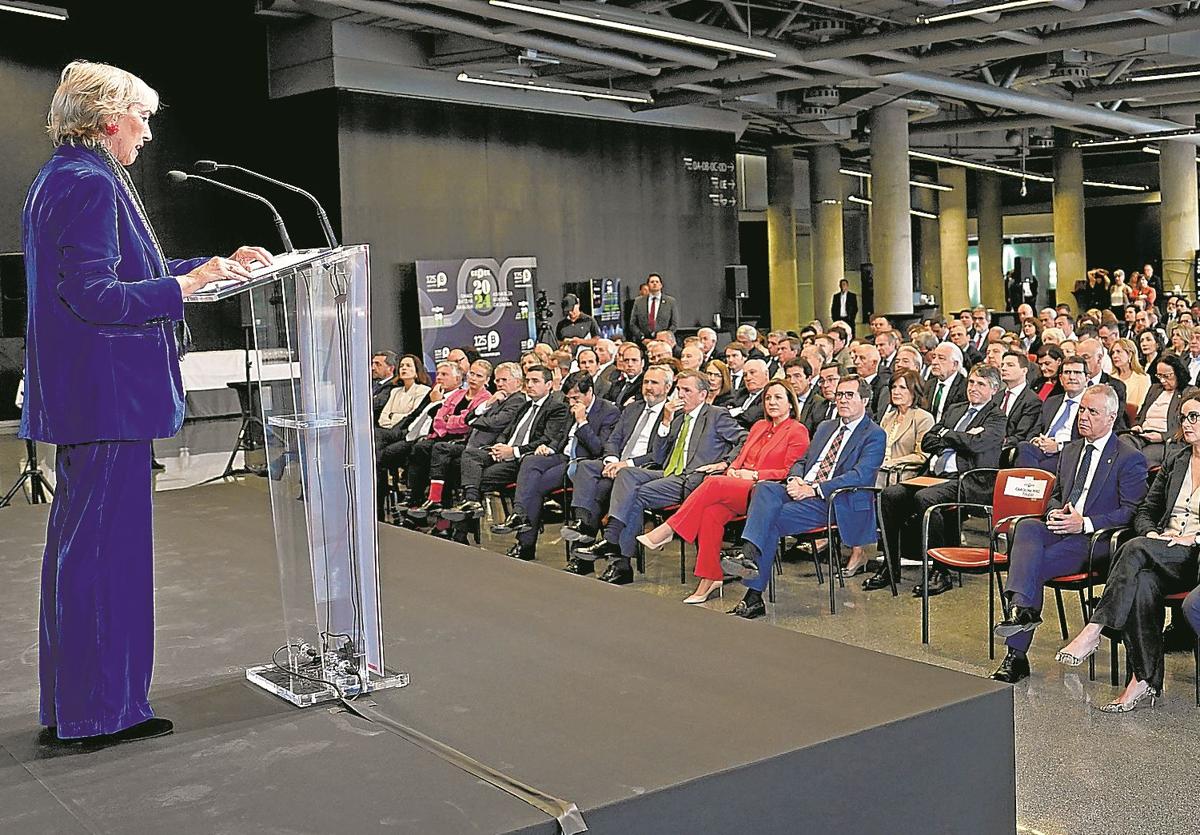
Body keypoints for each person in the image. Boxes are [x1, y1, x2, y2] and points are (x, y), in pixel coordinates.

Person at [25, 61, 273, 745]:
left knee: (85, 554)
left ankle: (77, 705)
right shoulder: (86, 182)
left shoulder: (71, 175)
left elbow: (113, 274)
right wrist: (183, 291)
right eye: (143, 115)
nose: (149, 130)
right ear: (109, 117)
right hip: (107, 399)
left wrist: (204, 266)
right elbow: (95, 295)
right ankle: (101, 712)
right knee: (106, 557)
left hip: (94, 399)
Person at [990, 386, 1148, 683]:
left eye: (1093, 412)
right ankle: (1023, 614)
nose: (1083, 417)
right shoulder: (1071, 450)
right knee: (1026, 526)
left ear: (1112, 417)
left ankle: (1017, 650)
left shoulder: (1129, 457)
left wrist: (1085, 523)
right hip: (1060, 526)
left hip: (1094, 539)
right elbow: (1058, 494)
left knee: (1030, 567)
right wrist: (1052, 512)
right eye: (1082, 410)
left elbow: (1131, 512)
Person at [1056, 395, 1200, 711]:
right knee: (1143, 584)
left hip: (1195, 556)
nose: (1186, 424)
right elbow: (1146, 509)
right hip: (1161, 548)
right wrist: (1151, 532)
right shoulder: (1177, 460)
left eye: (1194, 417)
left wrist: (1193, 537)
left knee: (1132, 548)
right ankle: (1144, 680)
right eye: (1184, 417)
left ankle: (1094, 628)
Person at [721, 376, 886, 619]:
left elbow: (859, 476)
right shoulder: (826, 427)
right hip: (800, 488)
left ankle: (753, 593)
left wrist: (815, 489)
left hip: (833, 500)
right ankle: (749, 555)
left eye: (849, 395)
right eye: (839, 394)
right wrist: (794, 479)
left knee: (770, 520)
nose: (842, 399)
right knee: (764, 488)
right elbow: (801, 461)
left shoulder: (874, 434)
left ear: (864, 399)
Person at [637, 380, 810, 603]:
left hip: (764, 492)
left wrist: (755, 475)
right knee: (711, 513)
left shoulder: (797, 430)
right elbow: (740, 457)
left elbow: (790, 471)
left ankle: (669, 529)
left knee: (712, 483)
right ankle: (710, 579)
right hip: (737, 485)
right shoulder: (758, 426)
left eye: (778, 398)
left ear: (790, 403)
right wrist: (734, 470)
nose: (772, 402)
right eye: (768, 398)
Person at [572, 371, 746, 584]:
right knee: (627, 476)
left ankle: (618, 555)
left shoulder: (716, 415)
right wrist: (665, 422)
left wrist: (726, 463)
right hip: (668, 471)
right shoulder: (678, 416)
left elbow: (744, 439)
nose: (680, 395)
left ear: (702, 395)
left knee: (635, 493)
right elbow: (660, 455)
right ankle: (616, 550)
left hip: (694, 477)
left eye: (687, 391)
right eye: (679, 389)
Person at [879, 365, 1007, 597]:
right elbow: (929, 441)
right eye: (971, 382)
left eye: (981, 384)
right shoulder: (956, 409)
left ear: (994, 389)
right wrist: (960, 437)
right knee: (890, 495)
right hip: (935, 476)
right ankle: (890, 566)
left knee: (926, 498)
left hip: (970, 480)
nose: (973, 388)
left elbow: (976, 445)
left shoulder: (996, 417)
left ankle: (941, 571)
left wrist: (947, 435)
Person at [491, 372, 619, 561]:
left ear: (589, 392)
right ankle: (521, 520)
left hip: (585, 463)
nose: (572, 402)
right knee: (531, 461)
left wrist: (582, 422)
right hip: (562, 456)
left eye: (576, 397)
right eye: (569, 398)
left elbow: (598, 448)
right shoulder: (569, 406)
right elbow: (560, 436)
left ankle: (533, 544)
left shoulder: (608, 411)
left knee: (536, 486)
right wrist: (549, 447)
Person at [562, 365, 673, 572]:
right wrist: (611, 459)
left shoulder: (673, 413)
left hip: (644, 469)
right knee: (585, 466)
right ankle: (584, 526)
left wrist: (626, 464)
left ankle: (610, 561)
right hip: (617, 464)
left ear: (667, 387)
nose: (648, 387)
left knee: (603, 490)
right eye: (646, 382)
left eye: (654, 383)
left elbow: (660, 455)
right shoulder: (632, 408)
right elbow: (614, 440)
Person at [442, 364, 569, 526]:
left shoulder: (556, 408)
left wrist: (513, 451)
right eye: (528, 381)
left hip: (522, 459)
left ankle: (469, 508)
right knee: (470, 455)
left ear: (549, 385)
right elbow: (506, 432)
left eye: (535, 381)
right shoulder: (525, 405)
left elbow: (546, 439)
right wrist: (500, 446)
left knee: (474, 477)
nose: (529, 385)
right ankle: (472, 502)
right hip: (504, 452)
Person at [1015, 356, 1089, 471]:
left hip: (1067, 454)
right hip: (1042, 449)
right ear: (1060, 378)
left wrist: (1058, 446)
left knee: (1041, 468)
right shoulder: (1051, 401)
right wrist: (1035, 440)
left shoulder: (1091, 405)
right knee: (1023, 446)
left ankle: (1029, 485)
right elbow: (1036, 428)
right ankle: (1031, 484)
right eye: (1067, 372)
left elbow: (1088, 439)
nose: (1072, 377)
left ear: (1087, 379)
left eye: (1077, 372)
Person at [1127, 354, 1189, 467]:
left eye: (1167, 376)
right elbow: (1140, 415)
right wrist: (1137, 425)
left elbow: (1185, 426)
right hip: (1142, 434)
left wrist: (1163, 436)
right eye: (1159, 376)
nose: (1163, 380)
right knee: (1122, 444)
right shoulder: (1155, 389)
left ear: (1178, 373)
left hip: (1163, 441)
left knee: (1139, 460)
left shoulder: (1188, 392)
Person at [923, 343, 967, 424]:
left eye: (941, 358)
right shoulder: (928, 384)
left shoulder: (965, 387)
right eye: (934, 357)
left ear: (955, 365)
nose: (934, 362)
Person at [627, 273, 677, 344]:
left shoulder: (670, 301)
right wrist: (642, 338)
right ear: (648, 285)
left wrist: (664, 338)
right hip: (643, 342)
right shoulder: (639, 301)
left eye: (657, 282)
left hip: (664, 343)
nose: (654, 284)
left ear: (661, 285)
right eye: (652, 282)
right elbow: (633, 323)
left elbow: (674, 324)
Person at [1109, 337, 1150, 411]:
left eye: (1118, 352)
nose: (1114, 356)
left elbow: (1142, 406)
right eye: (1113, 353)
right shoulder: (1110, 378)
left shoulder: (1143, 378)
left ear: (1130, 355)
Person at [371, 350, 399, 421]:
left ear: (391, 368)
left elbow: (375, 405)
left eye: (378, 364)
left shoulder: (393, 386)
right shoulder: (371, 384)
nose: (372, 368)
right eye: (372, 364)